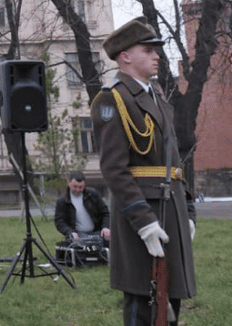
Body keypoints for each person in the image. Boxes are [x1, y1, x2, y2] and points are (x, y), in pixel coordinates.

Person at [91, 18, 195, 326]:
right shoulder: (113, 99)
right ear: (125, 56)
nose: (156, 56)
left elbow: (174, 161)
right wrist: (144, 222)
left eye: (156, 51)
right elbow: (114, 169)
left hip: (170, 208)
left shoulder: (156, 97)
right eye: (147, 50)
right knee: (143, 297)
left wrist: (187, 208)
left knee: (170, 297)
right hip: (144, 212)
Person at [54, 171, 111, 245]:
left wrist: (105, 227)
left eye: (81, 187)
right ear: (68, 183)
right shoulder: (63, 201)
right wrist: (70, 232)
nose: (78, 190)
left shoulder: (92, 194)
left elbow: (105, 213)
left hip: (96, 233)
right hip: (77, 236)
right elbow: (60, 221)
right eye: (75, 186)